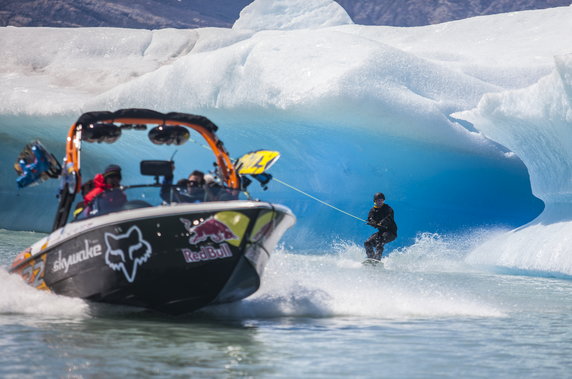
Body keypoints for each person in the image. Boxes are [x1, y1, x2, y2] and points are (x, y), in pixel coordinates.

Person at [364, 192, 397, 260]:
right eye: (378, 200)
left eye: (381, 200)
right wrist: (372, 222)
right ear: (375, 201)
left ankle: (377, 259)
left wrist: (381, 223)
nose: (380, 202)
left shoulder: (388, 208)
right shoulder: (372, 210)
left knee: (380, 240)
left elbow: (389, 218)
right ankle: (371, 259)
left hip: (391, 232)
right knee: (367, 243)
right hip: (381, 232)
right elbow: (370, 218)